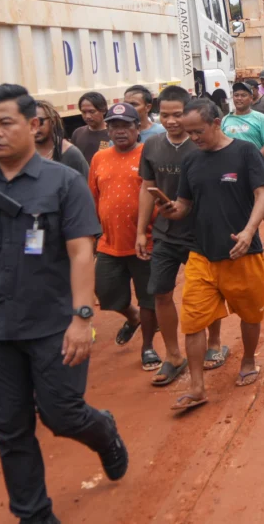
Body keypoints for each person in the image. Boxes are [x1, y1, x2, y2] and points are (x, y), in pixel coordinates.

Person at [0, 84, 128, 524]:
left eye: (5, 123)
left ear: (33, 125)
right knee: (12, 430)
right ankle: (34, 515)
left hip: (54, 325)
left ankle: (103, 430)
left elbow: (81, 252)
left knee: (63, 415)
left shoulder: (64, 181)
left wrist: (81, 316)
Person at [158, 98, 264, 410]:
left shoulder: (244, 152)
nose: (193, 138)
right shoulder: (192, 161)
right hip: (202, 255)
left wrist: (250, 230)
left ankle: (248, 360)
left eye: (198, 131)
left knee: (251, 315)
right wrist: (171, 209)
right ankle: (197, 387)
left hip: (242, 253)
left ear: (216, 122)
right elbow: (184, 205)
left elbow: (262, 193)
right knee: (193, 321)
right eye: (188, 133)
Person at [136, 86, 226, 386]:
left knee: (207, 292)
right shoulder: (152, 147)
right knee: (160, 291)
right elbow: (147, 187)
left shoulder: (203, 145)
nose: (171, 121)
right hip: (164, 234)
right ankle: (173, 355)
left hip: (200, 235)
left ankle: (214, 343)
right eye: (164, 115)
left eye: (177, 115)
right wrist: (141, 230)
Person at [89, 103, 157, 369]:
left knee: (149, 296)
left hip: (145, 242)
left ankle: (148, 346)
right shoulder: (99, 158)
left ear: (137, 128)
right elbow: (94, 197)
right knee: (104, 291)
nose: (119, 132)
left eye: (125, 126)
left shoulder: (148, 155)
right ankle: (133, 318)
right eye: (113, 126)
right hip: (109, 242)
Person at [222, 81, 264, 245]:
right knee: (234, 202)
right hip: (231, 169)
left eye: (243, 95)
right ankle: (240, 234)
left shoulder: (260, 119)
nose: (239, 98)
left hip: (255, 168)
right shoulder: (226, 120)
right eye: (236, 95)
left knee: (260, 200)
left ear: (251, 98)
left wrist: (251, 160)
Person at [34, 100, 90, 177]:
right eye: (29, 122)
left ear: (53, 120)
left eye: (40, 121)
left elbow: (87, 186)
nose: (35, 128)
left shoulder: (71, 154)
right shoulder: (21, 155)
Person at [72, 91, 111, 163]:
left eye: (92, 111)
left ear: (104, 110)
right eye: (84, 112)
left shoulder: (112, 134)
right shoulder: (78, 133)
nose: (87, 116)